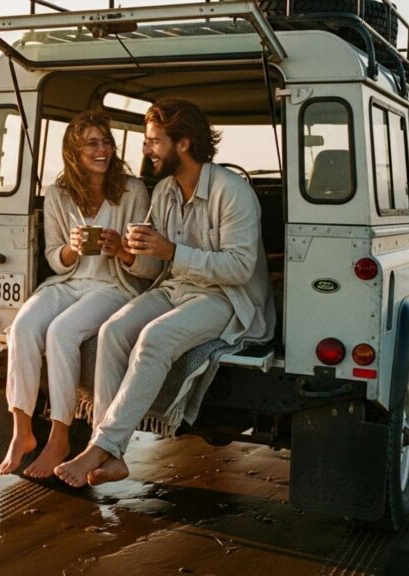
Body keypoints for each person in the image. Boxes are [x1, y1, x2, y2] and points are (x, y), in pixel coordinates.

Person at [54, 99, 275, 488]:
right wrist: (126, 252)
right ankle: (111, 454)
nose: (145, 149)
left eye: (154, 141)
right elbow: (154, 267)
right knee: (113, 330)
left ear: (184, 144)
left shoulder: (232, 192)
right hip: (174, 288)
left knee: (154, 339)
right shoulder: (166, 192)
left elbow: (240, 268)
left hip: (224, 297)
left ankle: (101, 444)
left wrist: (172, 251)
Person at [0, 110, 160, 478]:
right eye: (92, 143)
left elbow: (146, 264)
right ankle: (21, 432)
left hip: (113, 286)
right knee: (23, 327)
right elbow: (56, 260)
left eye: (106, 141)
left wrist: (120, 248)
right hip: (69, 283)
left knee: (61, 332)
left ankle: (60, 435)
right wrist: (72, 249)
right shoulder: (57, 195)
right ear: (74, 151)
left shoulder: (133, 190)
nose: (102, 149)